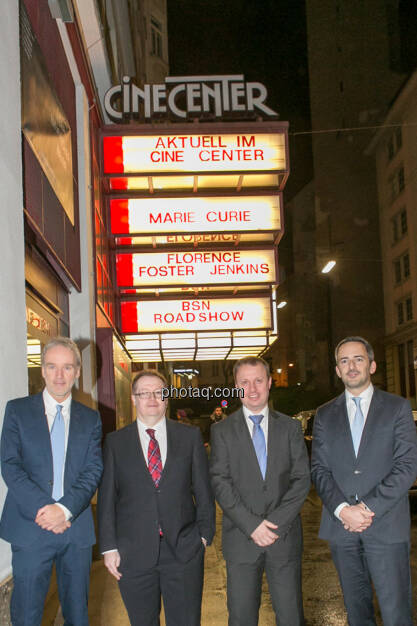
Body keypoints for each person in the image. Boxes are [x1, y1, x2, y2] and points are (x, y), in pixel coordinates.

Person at [311, 336, 417, 626]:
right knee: (357, 614)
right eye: (344, 361)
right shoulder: (324, 415)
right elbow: (319, 470)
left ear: (371, 365)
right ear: (337, 371)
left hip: (385, 527)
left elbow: (407, 467)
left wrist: (366, 508)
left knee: (396, 613)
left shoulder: (397, 408)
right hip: (341, 529)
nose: (351, 366)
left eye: (358, 359)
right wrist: (343, 510)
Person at [98, 369, 215, 626]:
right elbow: (107, 498)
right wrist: (109, 547)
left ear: (167, 397)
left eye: (159, 392)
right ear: (134, 399)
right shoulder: (116, 443)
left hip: (183, 550)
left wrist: (204, 534)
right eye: (144, 393)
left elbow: (204, 491)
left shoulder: (189, 437)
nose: (152, 398)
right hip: (133, 553)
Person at [0, 337, 103, 626]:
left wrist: (65, 510)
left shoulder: (91, 419)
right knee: (27, 616)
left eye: (67, 367)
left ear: (78, 372)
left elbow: (93, 470)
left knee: (78, 616)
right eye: (52, 367)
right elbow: (10, 465)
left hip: (75, 527)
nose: (59, 375)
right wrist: (46, 509)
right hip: (31, 526)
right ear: (42, 370)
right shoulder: (17, 411)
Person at [210, 356, 310, 625]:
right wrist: (253, 526)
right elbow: (220, 481)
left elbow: (301, 480)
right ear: (236, 387)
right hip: (242, 540)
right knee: (241, 617)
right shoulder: (221, 431)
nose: (252, 389)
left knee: (291, 617)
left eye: (258, 381)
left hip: (284, 539)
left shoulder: (290, 428)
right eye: (244, 382)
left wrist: (274, 524)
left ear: (269, 382)